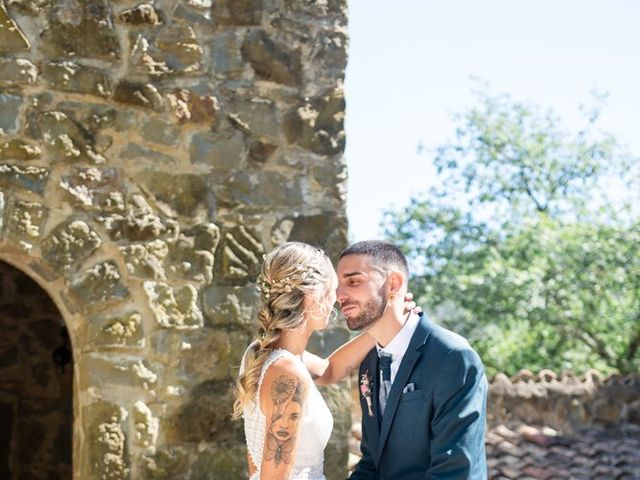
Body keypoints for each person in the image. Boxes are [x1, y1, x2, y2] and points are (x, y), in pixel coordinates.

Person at [233, 242, 387, 480]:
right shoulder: (287, 372)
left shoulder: (260, 353)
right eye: (332, 290)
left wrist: (381, 329)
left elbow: (329, 370)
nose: (336, 300)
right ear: (312, 296)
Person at [338, 240, 488, 480]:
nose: (340, 296)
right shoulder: (369, 363)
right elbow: (371, 462)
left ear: (393, 284)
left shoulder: (453, 357)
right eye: (338, 287)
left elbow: (453, 472)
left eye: (353, 281)